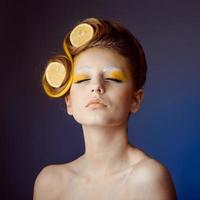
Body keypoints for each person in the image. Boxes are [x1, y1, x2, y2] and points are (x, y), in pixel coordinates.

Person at [33, 17, 177, 200]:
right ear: (69, 102)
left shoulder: (147, 179)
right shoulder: (50, 183)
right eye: (83, 80)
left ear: (135, 100)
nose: (96, 87)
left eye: (113, 78)